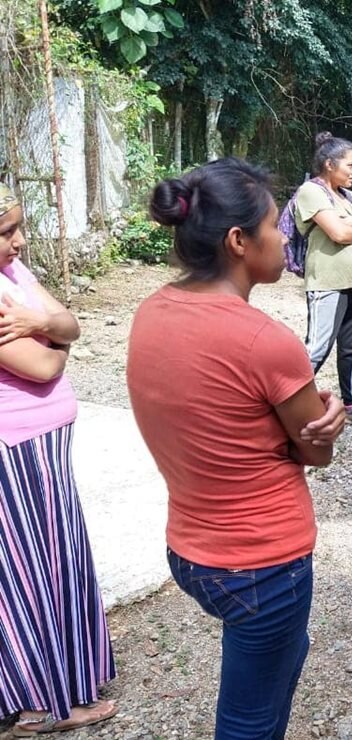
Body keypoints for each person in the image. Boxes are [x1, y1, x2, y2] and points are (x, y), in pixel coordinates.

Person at [128, 158, 346, 739]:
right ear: (238, 241)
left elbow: (214, 418)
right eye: (276, 227)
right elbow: (316, 453)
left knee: (279, 666)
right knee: (249, 721)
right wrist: (327, 421)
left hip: (190, 551)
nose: (283, 239)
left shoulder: (151, 312)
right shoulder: (265, 342)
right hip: (262, 564)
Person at [0, 183, 117, 736]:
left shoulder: (13, 279)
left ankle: (61, 686)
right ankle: (37, 704)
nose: (19, 241)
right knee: (24, 575)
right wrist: (51, 332)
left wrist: (47, 326)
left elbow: (70, 322)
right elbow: (43, 368)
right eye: (6, 232)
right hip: (16, 450)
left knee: (57, 562)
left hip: (43, 447)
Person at [298, 132, 352, 429]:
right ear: (330, 164)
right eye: (350, 165)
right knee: (317, 348)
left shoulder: (350, 197)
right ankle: (290, 404)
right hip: (327, 281)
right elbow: (337, 234)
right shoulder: (311, 192)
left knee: (351, 346)